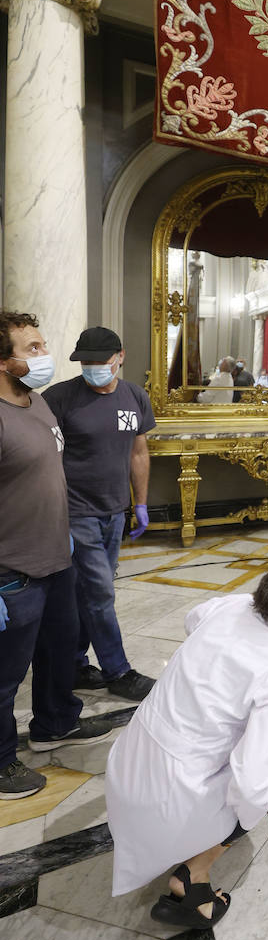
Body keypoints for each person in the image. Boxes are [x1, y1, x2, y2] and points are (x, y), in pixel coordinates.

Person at [106, 550, 268, 929]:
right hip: (170, 797)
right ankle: (193, 878)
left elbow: (192, 619)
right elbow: (253, 781)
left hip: (127, 764)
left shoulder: (234, 605)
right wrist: (264, 793)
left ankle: (185, 839)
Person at [0, 311, 113, 799]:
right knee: (5, 677)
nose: (44, 356)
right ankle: (2, 763)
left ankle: (54, 723)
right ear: (3, 361)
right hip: (13, 570)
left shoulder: (37, 403)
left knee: (57, 655)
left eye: (43, 345)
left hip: (56, 559)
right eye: (32, 349)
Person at [43, 326, 157, 703]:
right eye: (85, 362)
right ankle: (118, 670)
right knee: (100, 593)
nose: (92, 368)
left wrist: (139, 503)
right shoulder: (59, 399)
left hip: (114, 512)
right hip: (75, 512)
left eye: (100, 361)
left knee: (88, 592)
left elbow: (138, 453)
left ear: (119, 357)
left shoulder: (134, 396)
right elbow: (45, 459)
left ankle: (74, 663)